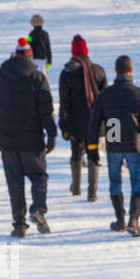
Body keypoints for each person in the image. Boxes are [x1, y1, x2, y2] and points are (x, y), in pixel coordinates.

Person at [0, 37, 57, 238]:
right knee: (39, 176)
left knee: (15, 183)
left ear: (14, 55)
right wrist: (52, 134)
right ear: (30, 57)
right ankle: (38, 208)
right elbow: (46, 109)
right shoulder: (38, 78)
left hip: (8, 142)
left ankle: (19, 224)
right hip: (33, 140)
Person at [87, 55, 140, 237]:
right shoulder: (139, 93)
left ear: (116, 70)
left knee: (115, 182)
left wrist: (92, 148)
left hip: (114, 141)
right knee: (137, 182)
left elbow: (94, 122)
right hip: (134, 142)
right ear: (131, 70)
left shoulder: (106, 94)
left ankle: (120, 220)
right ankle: (133, 221)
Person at [58, 35, 107, 200]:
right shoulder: (98, 70)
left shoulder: (66, 73)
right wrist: (111, 128)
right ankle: (92, 192)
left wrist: (63, 124)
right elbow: (106, 100)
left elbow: (64, 102)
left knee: (76, 153)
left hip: (75, 122)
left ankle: (76, 189)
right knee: (93, 153)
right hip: (95, 121)